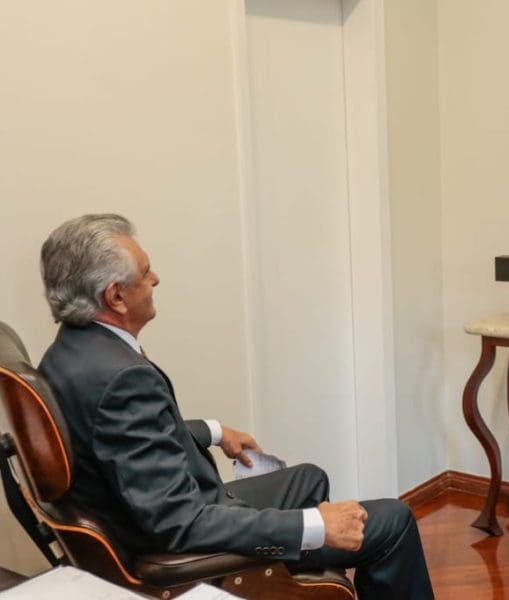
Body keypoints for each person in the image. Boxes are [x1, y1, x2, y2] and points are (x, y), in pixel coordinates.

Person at [37, 214, 434, 600]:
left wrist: (213, 431)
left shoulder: (70, 353)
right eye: (145, 272)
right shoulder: (121, 378)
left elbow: (120, 437)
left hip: (154, 512)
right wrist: (315, 525)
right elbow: (180, 523)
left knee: (310, 478)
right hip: (182, 551)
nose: (156, 279)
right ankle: (293, 572)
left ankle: (296, 584)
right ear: (116, 296)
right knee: (392, 521)